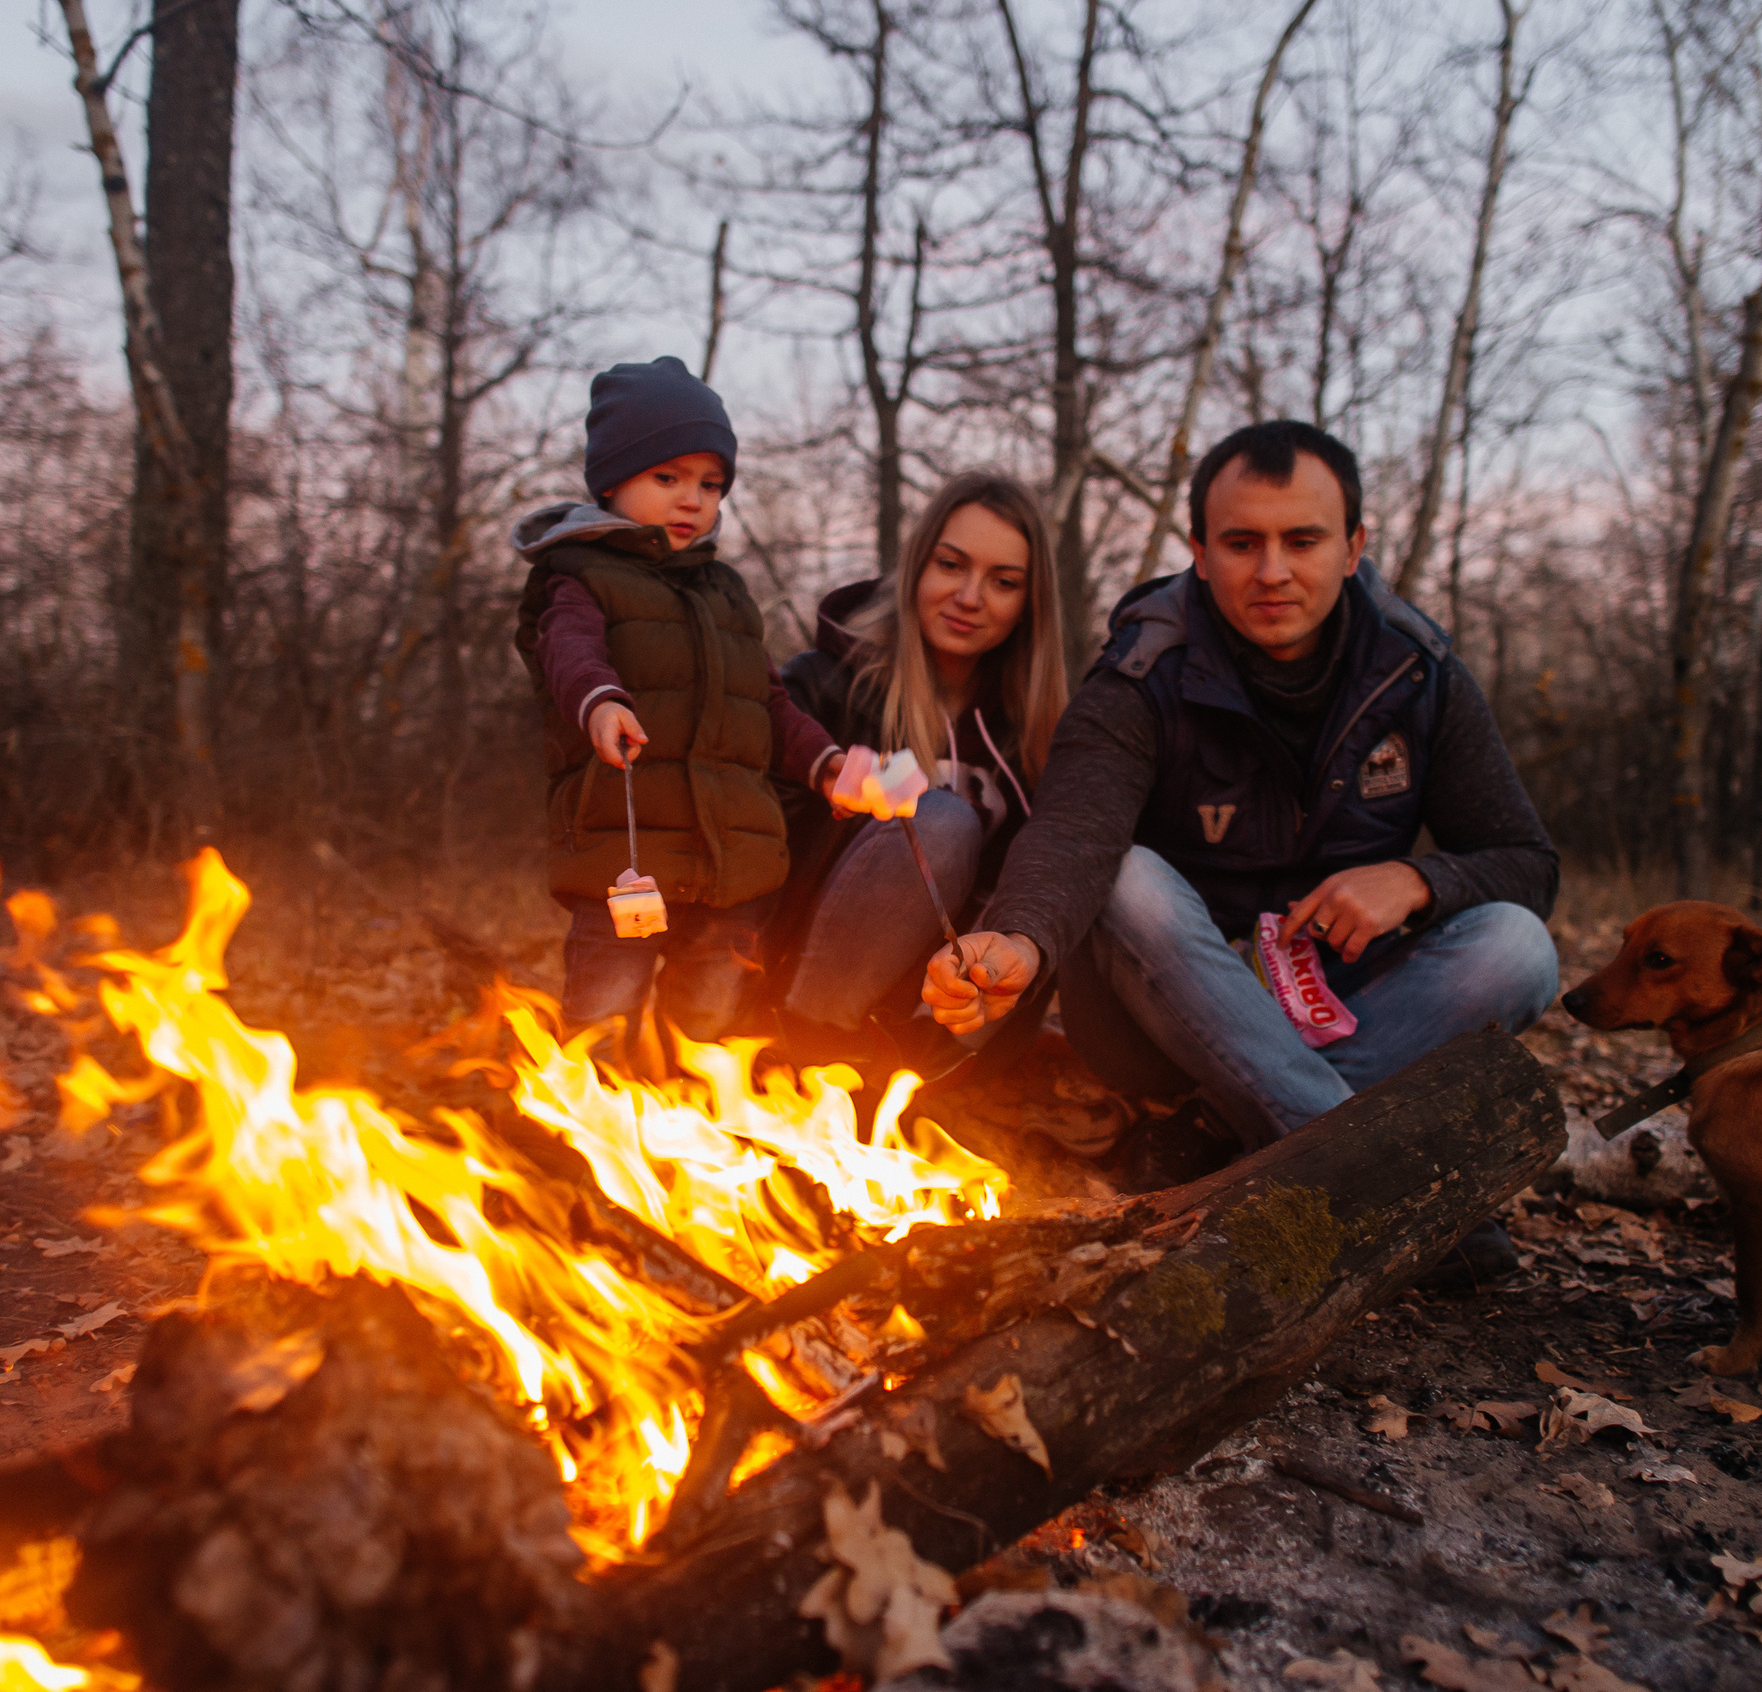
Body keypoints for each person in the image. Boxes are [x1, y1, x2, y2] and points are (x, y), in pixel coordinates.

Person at [924, 420, 1559, 1262]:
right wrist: (1018, 938)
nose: (1272, 571)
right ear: (1198, 549)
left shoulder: (1418, 670)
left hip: (1342, 999)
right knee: (1128, 879)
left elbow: (1526, 862)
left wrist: (1416, 880)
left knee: (1520, 944)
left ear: (1354, 545)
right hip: (1163, 1017)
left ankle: (1223, 1134)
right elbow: (1075, 832)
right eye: (1241, 542)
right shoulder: (1143, 673)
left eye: (1303, 539)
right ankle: (1381, 1185)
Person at [513, 356, 852, 1039]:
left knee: (705, 1025)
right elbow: (567, 651)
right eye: (666, 477)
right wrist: (602, 702)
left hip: (732, 866)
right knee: (602, 1018)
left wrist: (827, 764)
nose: (692, 498)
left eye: (710, 483)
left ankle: (691, 1130)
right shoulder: (579, 575)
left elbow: (769, 703)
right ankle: (587, 1132)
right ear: (612, 479)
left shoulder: (725, 594)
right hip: (625, 858)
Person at [772, 474, 1067, 1062]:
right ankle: (807, 1052)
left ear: (1028, 605)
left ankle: (923, 1072)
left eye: (1003, 582)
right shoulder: (821, 686)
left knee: (1062, 867)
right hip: (800, 988)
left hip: (940, 1017)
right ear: (916, 567)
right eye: (951, 565)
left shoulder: (1031, 734)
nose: (970, 597)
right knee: (941, 823)